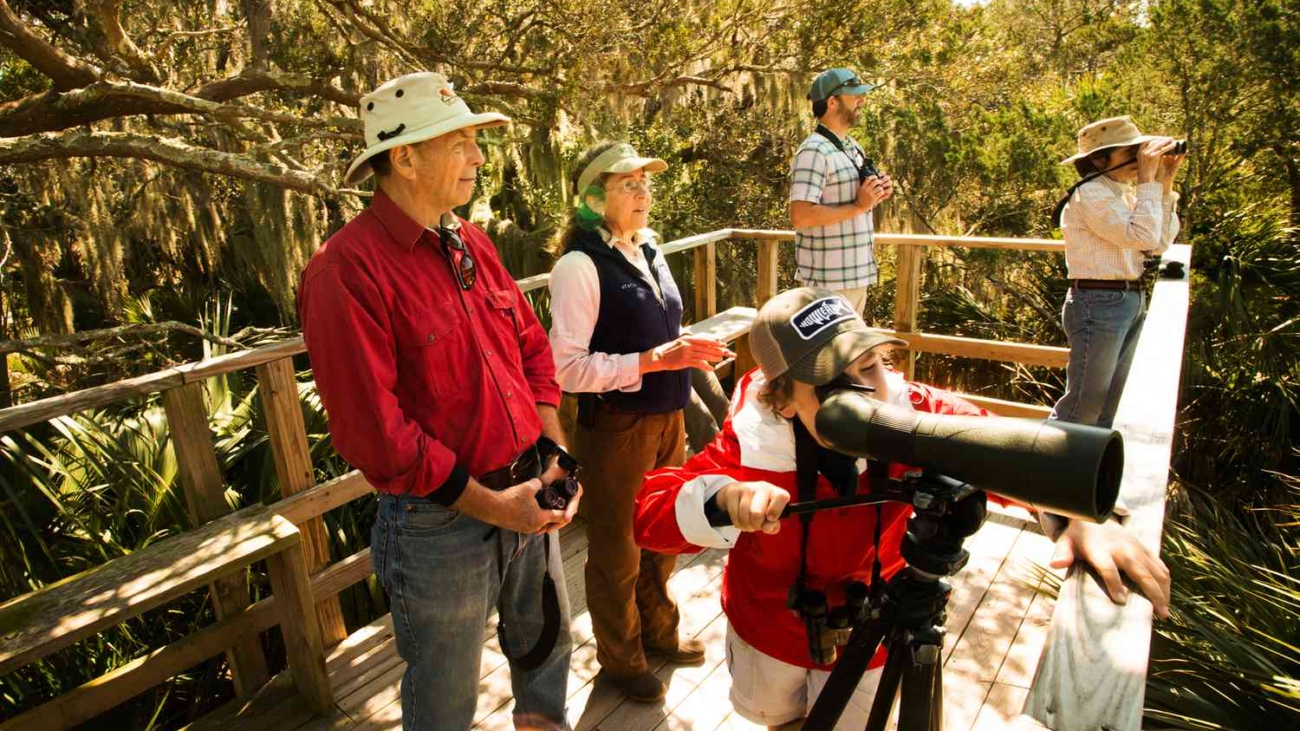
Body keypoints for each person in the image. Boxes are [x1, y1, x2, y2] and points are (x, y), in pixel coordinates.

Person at [632, 287, 1172, 730]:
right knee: (779, 717)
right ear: (783, 396)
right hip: (769, 624)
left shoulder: (912, 412)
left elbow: (1005, 449)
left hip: (875, 623)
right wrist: (723, 499)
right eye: (836, 382)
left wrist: (1074, 519)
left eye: (872, 365)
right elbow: (648, 513)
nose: (869, 392)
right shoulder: (750, 443)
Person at [298, 72, 580, 731]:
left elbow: (532, 350)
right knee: (446, 696)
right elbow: (379, 436)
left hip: (529, 486)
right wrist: (494, 505)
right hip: (437, 526)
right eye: (460, 142)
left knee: (546, 653)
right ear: (404, 157)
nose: (479, 157)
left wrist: (555, 456)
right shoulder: (346, 270)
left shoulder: (470, 243)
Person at [547, 141, 734, 702]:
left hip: (666, 418)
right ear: (592, 198)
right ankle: (621, 661)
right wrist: (656, 360)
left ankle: (658, 632)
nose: (643, 192)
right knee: (615, 550)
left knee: (663, 533)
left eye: (645, 183)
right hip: (616, 429)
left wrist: (689, 348)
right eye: (628, 184)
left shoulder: (649, 247)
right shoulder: (578, 266)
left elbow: (658, 332)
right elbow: (568, 369)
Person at [1053, 115, 1183, 428]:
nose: (1139, 160)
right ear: (1100, 159)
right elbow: (1143, 237)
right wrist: (1149, 183)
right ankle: (1045, 469)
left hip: (1125, 299)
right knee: (1083, 406)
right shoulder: (1092, 193)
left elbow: (1159, 242)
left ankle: (1086, 474)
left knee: (1110, 404)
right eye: (1130, 153)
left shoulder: (1118, 192)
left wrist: (1163, 184)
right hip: (1098, 303)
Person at [789, 68, 895, 315]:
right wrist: (858, 206)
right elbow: (801, 217)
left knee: (849, 354)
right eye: (854, 94)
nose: (862, 99)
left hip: (854, 278)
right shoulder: (814, 151)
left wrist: (875, 193)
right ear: (832, 102)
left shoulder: (850, 146)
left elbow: (854, 203)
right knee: (829, 354)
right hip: (827, 285)